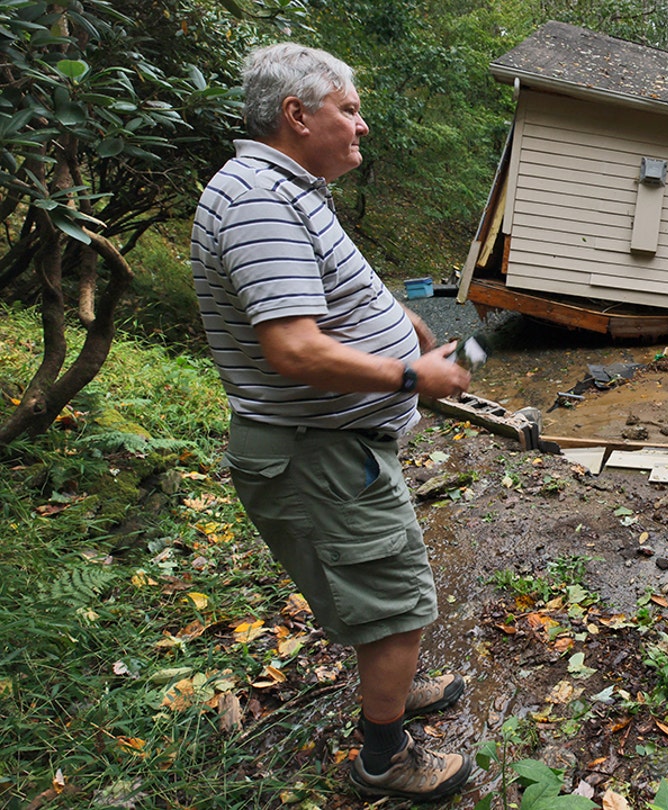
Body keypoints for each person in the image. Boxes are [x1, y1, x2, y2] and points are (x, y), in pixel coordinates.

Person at [190, 42, 474, 801]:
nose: (362, 125)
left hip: (334, 449)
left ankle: (394, 686)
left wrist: (402, 319)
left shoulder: (286, 187)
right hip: (316, 453)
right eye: (348, 109)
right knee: (396, 605)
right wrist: (415, 374)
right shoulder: (257, 199)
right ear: (296, 114)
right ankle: (384, 760)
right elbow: (293, 347)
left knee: (385, 594)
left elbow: (325, 292)